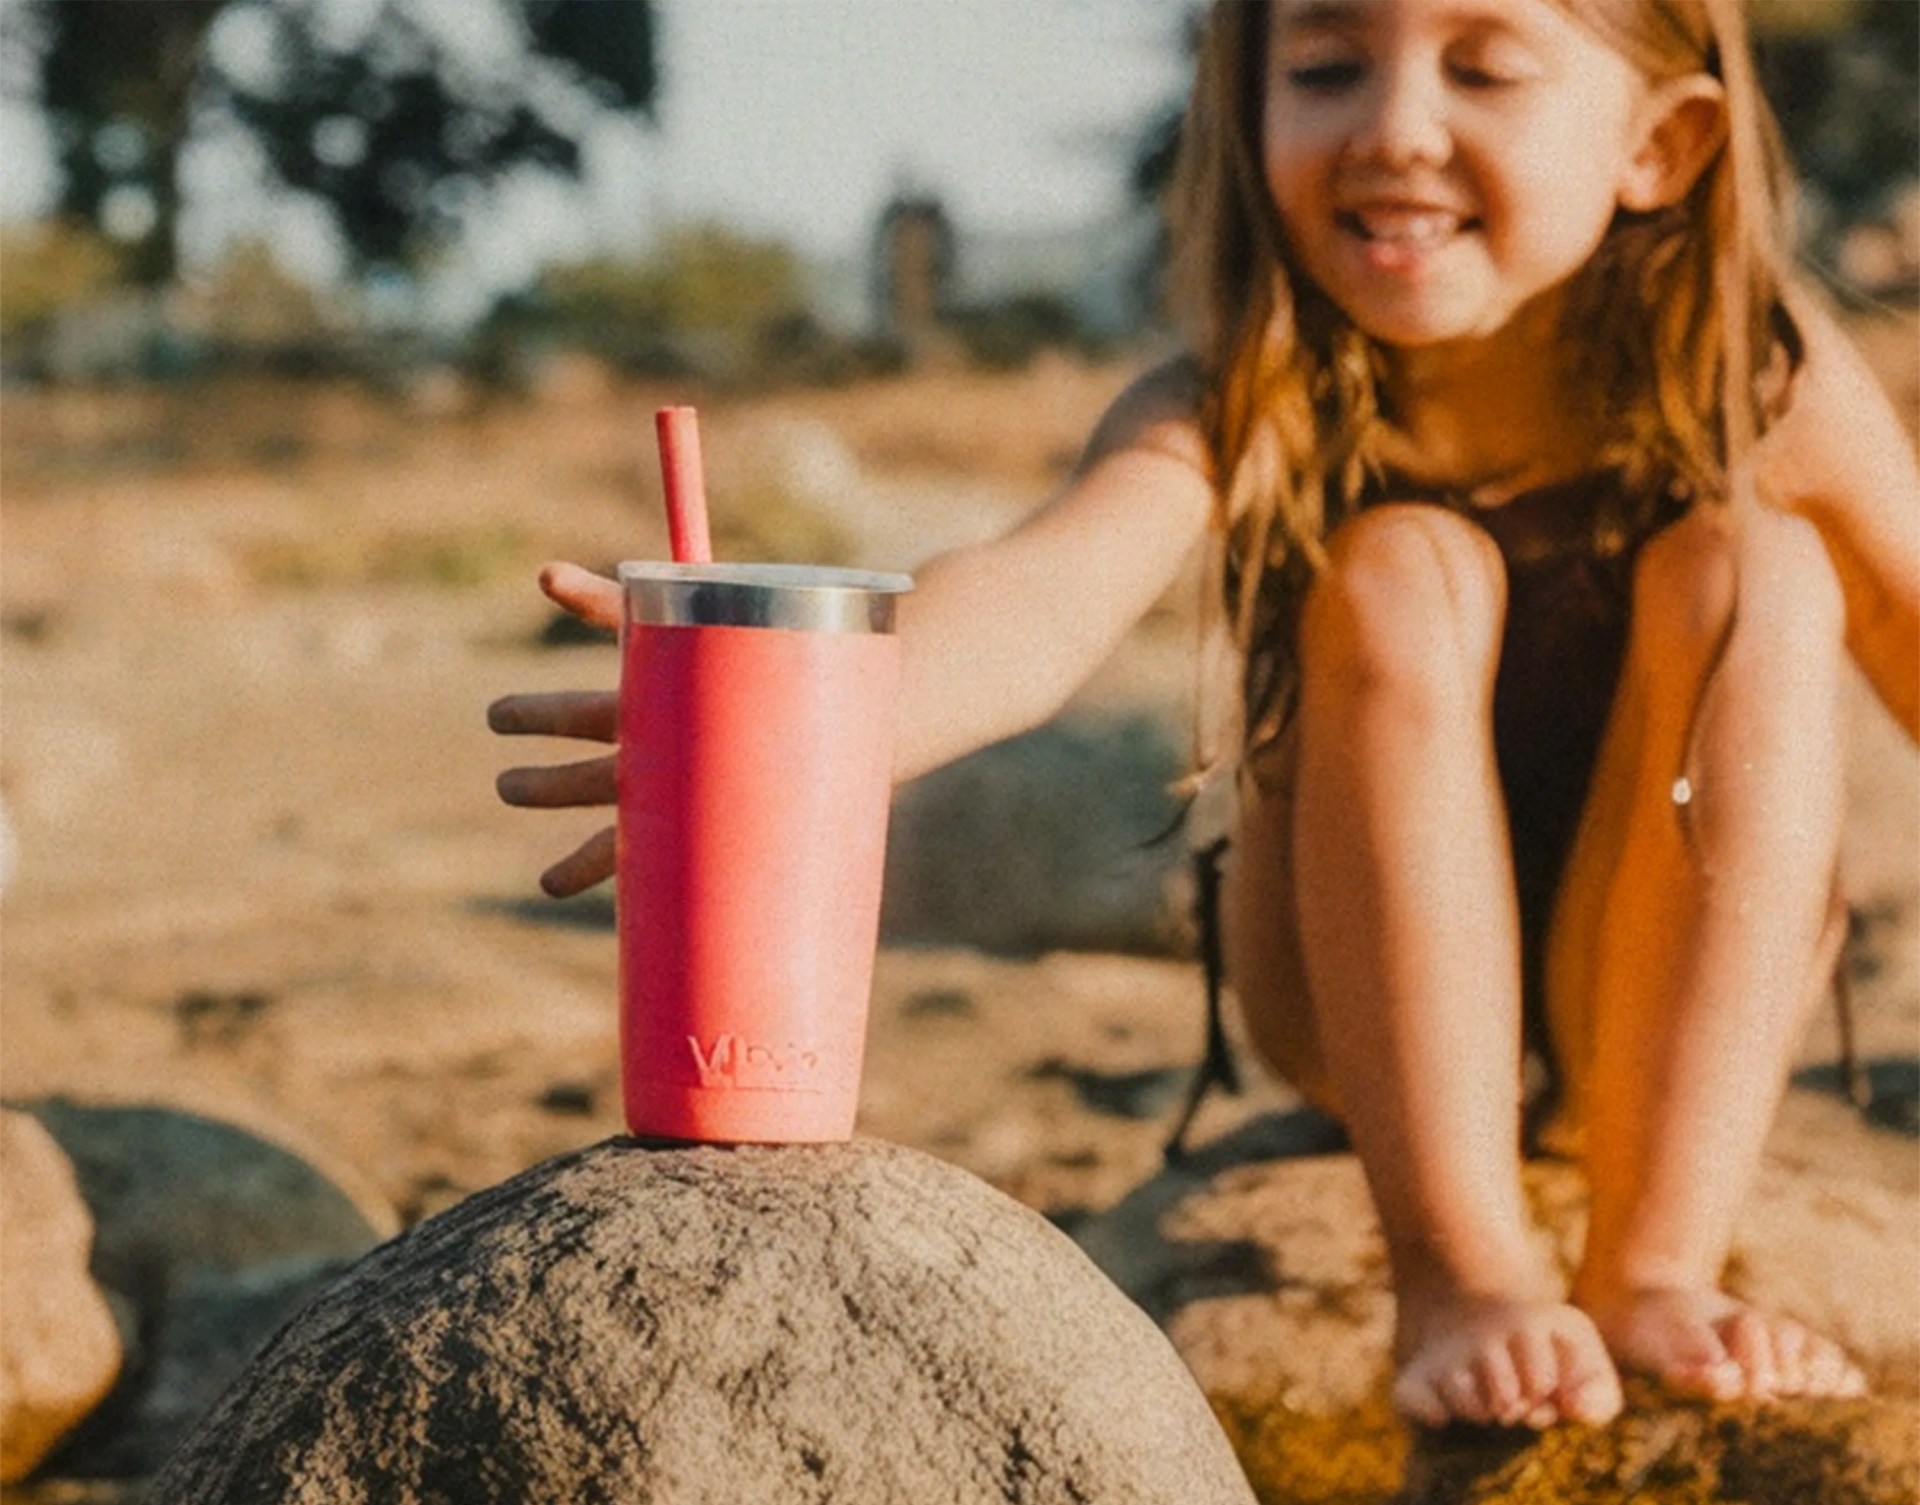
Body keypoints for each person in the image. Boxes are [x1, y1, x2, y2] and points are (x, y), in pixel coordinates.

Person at [489, 0, 1918, 1431]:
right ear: (1247, 109)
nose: (1395, 127)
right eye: (1323, 66)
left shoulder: (1766, 374)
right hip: (1349, 983)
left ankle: (1655, 1264)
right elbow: (1045, 597)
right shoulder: (1253, 390)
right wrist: (797, 714)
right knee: (1397, 565)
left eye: (1482, 67)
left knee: (1764, 565)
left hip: (1672, 980)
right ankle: (1464, 1274)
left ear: (1660, 147)